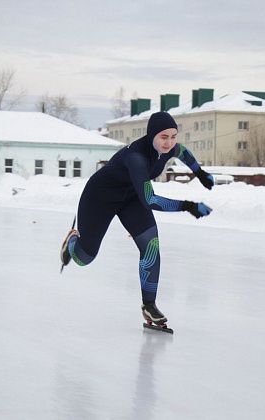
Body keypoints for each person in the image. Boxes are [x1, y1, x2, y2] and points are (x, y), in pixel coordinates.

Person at [60, 111, 215, 326]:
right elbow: (150, 199)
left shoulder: (169, 148)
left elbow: (184, 153)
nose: (169, 143)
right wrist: (188, 206)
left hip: (131, 197)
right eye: (163, 137)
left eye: (173, 136)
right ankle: (72, 244)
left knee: (151, 245)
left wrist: (200, 173)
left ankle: (149, 306)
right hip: (100, 197)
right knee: (84, 258)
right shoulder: (136, 157)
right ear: (152, 135)